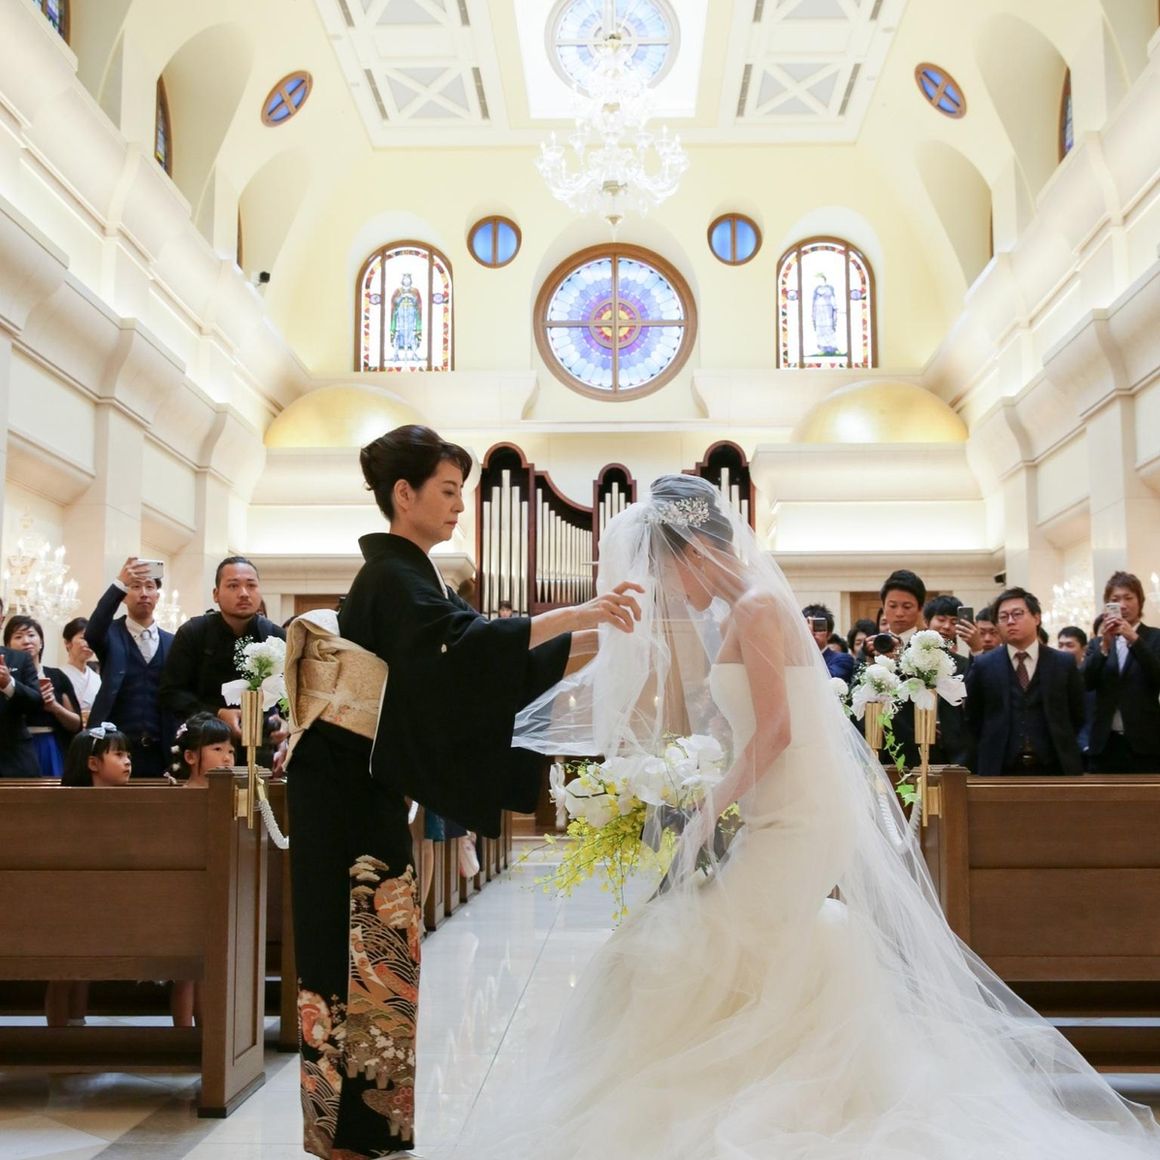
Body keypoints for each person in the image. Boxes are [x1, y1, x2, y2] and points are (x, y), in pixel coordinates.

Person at [466, 475, 1160, 1160]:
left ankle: (738, 1102)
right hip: (777, 813)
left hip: (798, 821)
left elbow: (776, 733)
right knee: (734, 946)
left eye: (665, 570)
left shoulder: (759, 606)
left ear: (694, 552)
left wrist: (710, 806)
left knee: (689, 939)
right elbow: (750, 727)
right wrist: (690, 777)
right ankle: (760, 1085)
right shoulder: (743, 609)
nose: (667, 589)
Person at [284, 425, 642, 1159]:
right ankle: (346, 1132)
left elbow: (480, 667)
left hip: (361, 787)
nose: (457, 506)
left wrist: (601, 640)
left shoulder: (413, 577)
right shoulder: (393, 577)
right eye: (447, 491)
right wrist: (581, 614)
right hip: (344, 791)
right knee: (356, 950)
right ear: (404, 494)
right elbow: (468, 649)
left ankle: (364, 1128)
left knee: (379, 948)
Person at [48, 723, 133, 1027]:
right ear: (93, 764)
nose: (128, 762)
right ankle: (57, 1033)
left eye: (128, 755)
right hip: (70, 895)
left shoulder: (129, 804)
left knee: (86, 966)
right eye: (119, 755)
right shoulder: (70, 806)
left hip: (102, 893)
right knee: (63, 969)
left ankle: (78, 1022)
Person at [160, 557, 285, 751]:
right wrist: (218, 713)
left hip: (262, 746)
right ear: (216, 594)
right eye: (233, 586)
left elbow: (292, 695)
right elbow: (171, 694)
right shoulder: (193, 633)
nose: (244, 593)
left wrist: (286, 723)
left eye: (251, 585)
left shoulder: (275, 637)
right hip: (204, 746)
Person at [965, 587, 1085, 777]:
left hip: (1055, 766)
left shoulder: (1063, 662)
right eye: (1003, 617)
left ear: (1036, 618)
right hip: (1000, 767)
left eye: (1017, 614)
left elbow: (1078, 713)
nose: (1010, 621)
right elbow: (974, 716)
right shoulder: (984, 665)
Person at [169, 712, 235, 1028]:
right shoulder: (182, 798)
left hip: (217, 885)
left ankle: (207, 1033)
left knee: (210, 969)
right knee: (187, 971)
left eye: (230, 750)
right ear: (191, 757)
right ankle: (182, 1034)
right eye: (217, 749)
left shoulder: (232, 797)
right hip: (187, 889)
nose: (227, 757)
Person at [85, 558, 177, 777]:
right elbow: (93, 630)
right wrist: (119, 583)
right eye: (136, 587)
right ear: (124, 596)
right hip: (114, 749)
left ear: (157, 596)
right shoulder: (110, 635)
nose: (143, 593)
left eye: (150, 587)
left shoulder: (173, 642)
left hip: (161, 750)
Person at [1083, 571, 1160, 774]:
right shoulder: (1097, 643)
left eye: (1128, 598)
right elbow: (1085, 682)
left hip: (1145, 744)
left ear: (1140, 602)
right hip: (1104, 744)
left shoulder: (1155, 638)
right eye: (1115, 600)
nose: (1123, 605)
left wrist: (1134, 640)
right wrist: (1104, 647)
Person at [3, 615, 82, 776]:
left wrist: (54, 706)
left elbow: (76, 723)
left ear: (41, 642)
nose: (26, 641)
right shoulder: (7, 676)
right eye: (18, 636)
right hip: (11, 748)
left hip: (48, 745)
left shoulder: (57, 676)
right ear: (7, 645)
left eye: (31, 635)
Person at [0, 629, 43, 777]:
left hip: (12, 756)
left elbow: (36, 703)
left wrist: (8, 684)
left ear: (1, 620)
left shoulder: (19, 658)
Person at [1058, 625, 1095, 761]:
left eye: (1070, 645)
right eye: (1060, 645)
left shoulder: (1091, 676)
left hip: (1087, 746)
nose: (1063, 650)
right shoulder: (1054, 676)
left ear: (1084, 649)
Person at [59, 617, 101, 721]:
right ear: (67, 642)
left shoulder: (98, 678)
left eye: (92, 639)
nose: (88, 643)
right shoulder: (58, 675)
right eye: (83, 638)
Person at [802, 603, 853, 683]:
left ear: (829, 635)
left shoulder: (842, 659)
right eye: (807, 627)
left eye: (818, 627)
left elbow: (829, 678)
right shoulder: (793, 658)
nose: (813, 632)